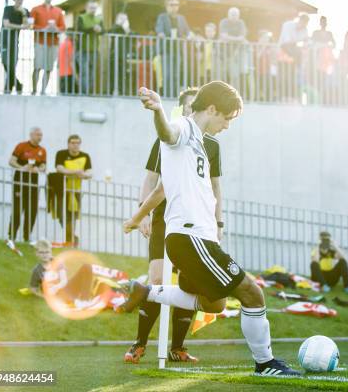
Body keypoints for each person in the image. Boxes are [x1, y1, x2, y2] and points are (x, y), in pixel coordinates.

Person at [121, 81, 300, 376]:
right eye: (227, 118)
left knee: (214, 303)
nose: (227, 126)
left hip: (193, 238)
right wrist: (158, 112)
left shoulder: (200, 145)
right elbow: (167, 131)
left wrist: (136, 217)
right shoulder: (184, 128)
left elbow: (163, 189)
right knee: (252, 292)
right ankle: (266, 364)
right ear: (213, 109)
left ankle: (147, 292)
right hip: (191, 237)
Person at [123, 87, 224, 364]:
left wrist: (218, 223)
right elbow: (153, 180)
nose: (195, 110)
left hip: (196, 226)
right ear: (185, 108)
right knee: (157, 279)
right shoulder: (170, 134)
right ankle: (139, 344)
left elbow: (215, 187)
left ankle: (177, 347)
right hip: (164, 221)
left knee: (191, 286)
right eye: (190, 105)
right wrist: (141, 215)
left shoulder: (212, 145)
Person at [7, 127, 47, 244]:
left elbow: (43, 166)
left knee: (32, 209)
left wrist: (38, 169)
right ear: (31, 135)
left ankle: (26, 237)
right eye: (38, 134)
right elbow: (11, 161)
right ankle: (11, 236)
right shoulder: (21, 146)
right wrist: (22, 168)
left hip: (33, 182)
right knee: (18, 208)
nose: (40, 137)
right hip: (20, 179)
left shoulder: (42, 150)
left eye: (41, 135)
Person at [55, 135, 92, 244]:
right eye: (73, 143)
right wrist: (76, 172)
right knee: (61, 215)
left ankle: (69, 240)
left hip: (76, 191)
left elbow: (90, 172)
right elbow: (59, 168)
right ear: (68, 144)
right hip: (62, 189)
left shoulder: (85, 156)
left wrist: (84, 175)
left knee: (73, 216)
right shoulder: (61, 154)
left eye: (77, 143)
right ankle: (71, 237)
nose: (75, 145)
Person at [155, 0, 194, 97]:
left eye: (176, 5)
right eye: (171, 5)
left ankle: (174, 95)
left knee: (176, 74)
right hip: (166, 50)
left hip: (177, 50)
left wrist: (189, 36)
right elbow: (159, 29)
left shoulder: (181, 18)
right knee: (167, 74)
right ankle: (167, 95)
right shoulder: (162, 17)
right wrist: (161, 34)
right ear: (167, 6)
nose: (174, 7)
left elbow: (188, 31)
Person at [30, 0, 66, 95]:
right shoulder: (35, 9)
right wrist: (43, 29)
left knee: (49, 68)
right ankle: (34, 90)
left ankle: (43, 91)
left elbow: (63, 27)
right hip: (40, 42)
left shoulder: (58, 11)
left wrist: (56, 29)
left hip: (53, 43)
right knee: (37, 66)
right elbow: (31, 25)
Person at [0, 0, 30, 94]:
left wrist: (24, 14)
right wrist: (20, 27)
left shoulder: (25, 11)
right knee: (5, 63)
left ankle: (7, 89)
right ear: (14, 0)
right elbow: (6, 24)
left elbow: (27, 25)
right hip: (4, 40)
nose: (19, 1)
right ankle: (17, 85)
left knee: (12, 65)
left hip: (14, 41)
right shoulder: (8, 9)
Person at [75, 0, 103, 94]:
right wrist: (93, 29)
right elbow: (80, 29)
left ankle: (89, 92)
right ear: (87, 8)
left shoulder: (99, 19)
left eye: (95, 8)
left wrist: (100, 30)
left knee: (92, 74)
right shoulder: (81, 17)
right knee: (84, 72)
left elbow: (103, 31)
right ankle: (84, 93)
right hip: (83, 50)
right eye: (91, 8)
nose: (93, 10)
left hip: (94, 50)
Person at [108, 12, 135, 96]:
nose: (123, 21)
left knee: (123, 75)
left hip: (123, 56)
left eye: (125, 19)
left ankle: (123, 92)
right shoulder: (115, 27)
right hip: (114, 55)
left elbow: (133, 36)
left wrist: (127, 29)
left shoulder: (126, 29)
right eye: (121, 18)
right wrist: (121, 25)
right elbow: (112, 30)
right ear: (117, 20)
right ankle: (112, 92)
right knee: (113, 74)